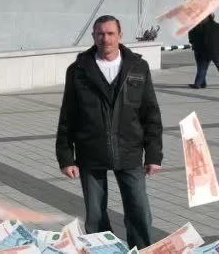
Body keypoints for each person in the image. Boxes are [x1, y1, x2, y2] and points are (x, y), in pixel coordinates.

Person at [56, 15, 163, 250]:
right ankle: (103, 250)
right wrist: (66, 157)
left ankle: (142, 249)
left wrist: (154, 155)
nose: (105, 39)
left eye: (110, 33)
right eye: (100, 34)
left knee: (139, 210)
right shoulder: (78, 70)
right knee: (95, 215)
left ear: (120, 35)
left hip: (130, 150)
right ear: (93, 36)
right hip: (91, 151)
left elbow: (151, 113)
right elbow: (68, 115)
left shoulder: (138, 67)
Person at [188, 14, 219, 89]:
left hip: (204, 51)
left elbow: (192, 39)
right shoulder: (218, 26)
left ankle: (198, 84)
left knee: (202, 68)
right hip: (216, 51)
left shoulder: (198, 27)